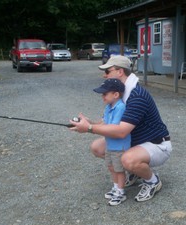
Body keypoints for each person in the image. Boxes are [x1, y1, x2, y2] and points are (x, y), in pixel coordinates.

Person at [70, 55, 172, 202]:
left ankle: (153, 181)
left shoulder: (136, 96)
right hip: (136, 141)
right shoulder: (122, 94)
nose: (104, 75)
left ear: (120, 72)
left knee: (127, 160)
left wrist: (89, 128)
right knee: (97, 147)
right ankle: (135, 173)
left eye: (108, 71)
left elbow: (121, 131)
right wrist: (89, 122)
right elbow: (109, 123)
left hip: (157, 144)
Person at [92, 78, 131, 206]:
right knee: (111, 167)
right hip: (110, 144)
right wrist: (88, 123)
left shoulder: (120, 107)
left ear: (116, 94)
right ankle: (115, 187)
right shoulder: (108, 107)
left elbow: (113, 128)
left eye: (105, 94)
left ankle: (121, 192)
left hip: (119, 146)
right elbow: (103, 123)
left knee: (119, 169)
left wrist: (90, 129)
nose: (102, 97)